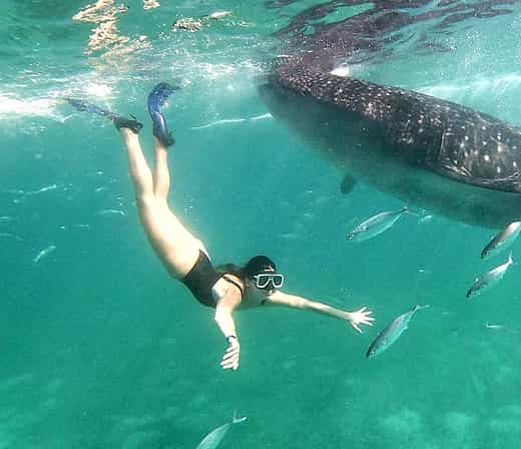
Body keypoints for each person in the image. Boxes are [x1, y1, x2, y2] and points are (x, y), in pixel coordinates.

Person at [67, 84, 374, 371]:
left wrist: (345, 315)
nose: (273, 288)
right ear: (251, 281)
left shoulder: (263, 295)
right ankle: (129, 133)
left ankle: (160, 140)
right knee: (148, 200)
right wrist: (233, 341)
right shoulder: (236, 294)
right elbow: (222, 314)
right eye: (267, 281)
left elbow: (307, 304)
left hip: (196, 255)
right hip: (183, 261)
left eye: (275, 281)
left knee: (159, 200)